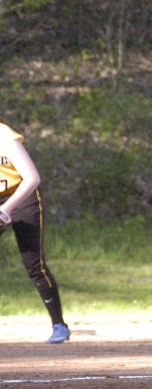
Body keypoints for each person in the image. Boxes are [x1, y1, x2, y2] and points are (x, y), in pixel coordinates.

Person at [0, 120, 70, 344]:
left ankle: (59, 324)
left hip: (22, 196)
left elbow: (32, 178)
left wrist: (5, 209)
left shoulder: (4, 135)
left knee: (34, 264)